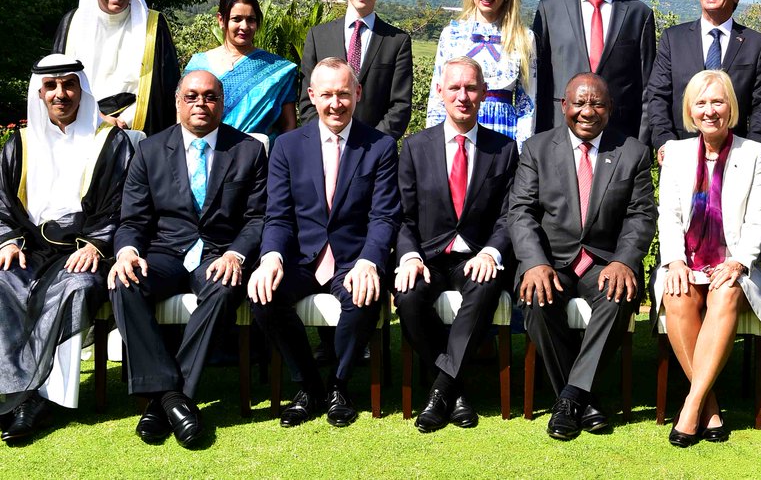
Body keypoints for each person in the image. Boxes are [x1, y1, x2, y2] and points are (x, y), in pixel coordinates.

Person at [109, 70, 268, 448]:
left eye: (210, 97)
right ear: (177, 102)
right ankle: (174, 399)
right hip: (164, 253)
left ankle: (161, 401)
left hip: (217, 254)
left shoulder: (248, 150)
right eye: (192, 96)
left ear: (222, 103)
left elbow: (259, 217)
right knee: (123, 280)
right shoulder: (149, 150)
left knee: (225, 286)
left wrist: (236, 253)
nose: (201, 104)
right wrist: (128, 251)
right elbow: (132, 219)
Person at [248, 58, 400, 429]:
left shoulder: (380, 147)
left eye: (344, 94)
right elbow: (279, 215)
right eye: (328, 94)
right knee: (262, 296)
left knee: (364, 295)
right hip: (300, 259)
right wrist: (270, 257)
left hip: (352, 257)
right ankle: (310, 385)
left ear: (358, 94)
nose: (336, 103)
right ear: (312, 96)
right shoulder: (286, 147)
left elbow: (384, 216)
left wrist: (370, 261)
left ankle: (340, 385)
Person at [509, 72, 656, 441]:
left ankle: (569, 398)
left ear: (610, 108)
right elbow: (521, 212)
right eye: (580, 102)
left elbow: (641, 215)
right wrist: (535, 263)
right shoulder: (536, 148)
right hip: (550, 261)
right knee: (536, 298)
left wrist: (625, 260)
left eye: (597, 103)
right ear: (564, 106)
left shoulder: (633, 151)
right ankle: (582, 400)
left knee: (619, 294)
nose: (587, 111)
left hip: (604, 262)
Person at [0, 56, 133, 442]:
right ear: (39, 93)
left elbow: (122, 202)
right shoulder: (19, 144)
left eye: (69, 85)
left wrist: (95, 243)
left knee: (74, 287)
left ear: (82, 90)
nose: (61, 94)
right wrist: (7, 240)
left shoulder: (109, 141)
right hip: (30, 249)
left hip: (84, 247)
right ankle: (14, 393)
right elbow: (3, 204)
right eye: (52, 87)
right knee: (3, 279)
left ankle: (45, 399)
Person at [397, 57, 519, 433]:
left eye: (470, 88)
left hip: (478, 257)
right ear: (439, 91)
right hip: (428, 257)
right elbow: (402, 216)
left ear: (483, 94)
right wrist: (409, 255)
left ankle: (440, 393)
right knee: (408, 297)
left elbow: (510, 215)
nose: (462, 96)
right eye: (454, 88)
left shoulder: (505, 149)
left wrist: (492, 251)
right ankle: (455, 388)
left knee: (484, 289)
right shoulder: (415, 147)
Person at [654, 70, 761, 447]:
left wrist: (738, 261)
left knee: (726, 291)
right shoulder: (675, 153)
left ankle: (690, 408)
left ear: (730, 107)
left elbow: (760, 217)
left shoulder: (754, 153)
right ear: (690, 109)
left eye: (718, 102)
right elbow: (668, 214)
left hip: (735, 264)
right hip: (685, 261)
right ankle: (710, 406)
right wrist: (673, 261)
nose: (709, 111)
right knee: (676, 294)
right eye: (701, 103)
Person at [645, 0, 761, 161]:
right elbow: (658, 95)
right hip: (680, 153)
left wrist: (754, 149)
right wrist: (664, 142)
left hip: (736, 156)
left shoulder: (755, 44)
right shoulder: (673, 39)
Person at [532, 0, 656, 141]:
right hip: (559, 131)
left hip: (620, 136)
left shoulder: (639, 14)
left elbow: (647, 87)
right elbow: (538, 82)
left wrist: (643, 145)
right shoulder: (549, 10)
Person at [53, 0, 180, 134]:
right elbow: (58, 82)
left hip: (138, 130)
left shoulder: (153, 25)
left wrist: (125, 120)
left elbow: (165, 88)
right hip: (82, 127)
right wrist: (98, 118)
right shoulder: (72, 23)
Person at [299, 0, 413, 140]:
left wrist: (374, 146)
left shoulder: (397, 41)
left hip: (374, 150)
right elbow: (306, 99)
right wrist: (327, 138)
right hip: (324, 145)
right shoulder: (318, 36)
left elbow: (400, 105)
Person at [426, 0, 536, 148]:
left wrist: (522, 154)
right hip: (457, 131)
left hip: (503, 135)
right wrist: (433, 145)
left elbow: (527, 105)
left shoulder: (524, 37)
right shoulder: (451, 34)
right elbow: (437, 98)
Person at [185, 0, 297, 137]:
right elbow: (183, 116)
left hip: (259, 157)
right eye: (236, 19)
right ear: (221, 20)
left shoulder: (279, 70)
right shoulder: (199, 64)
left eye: (251, 20)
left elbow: (288, 125)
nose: (244, 26)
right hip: (206, 152)